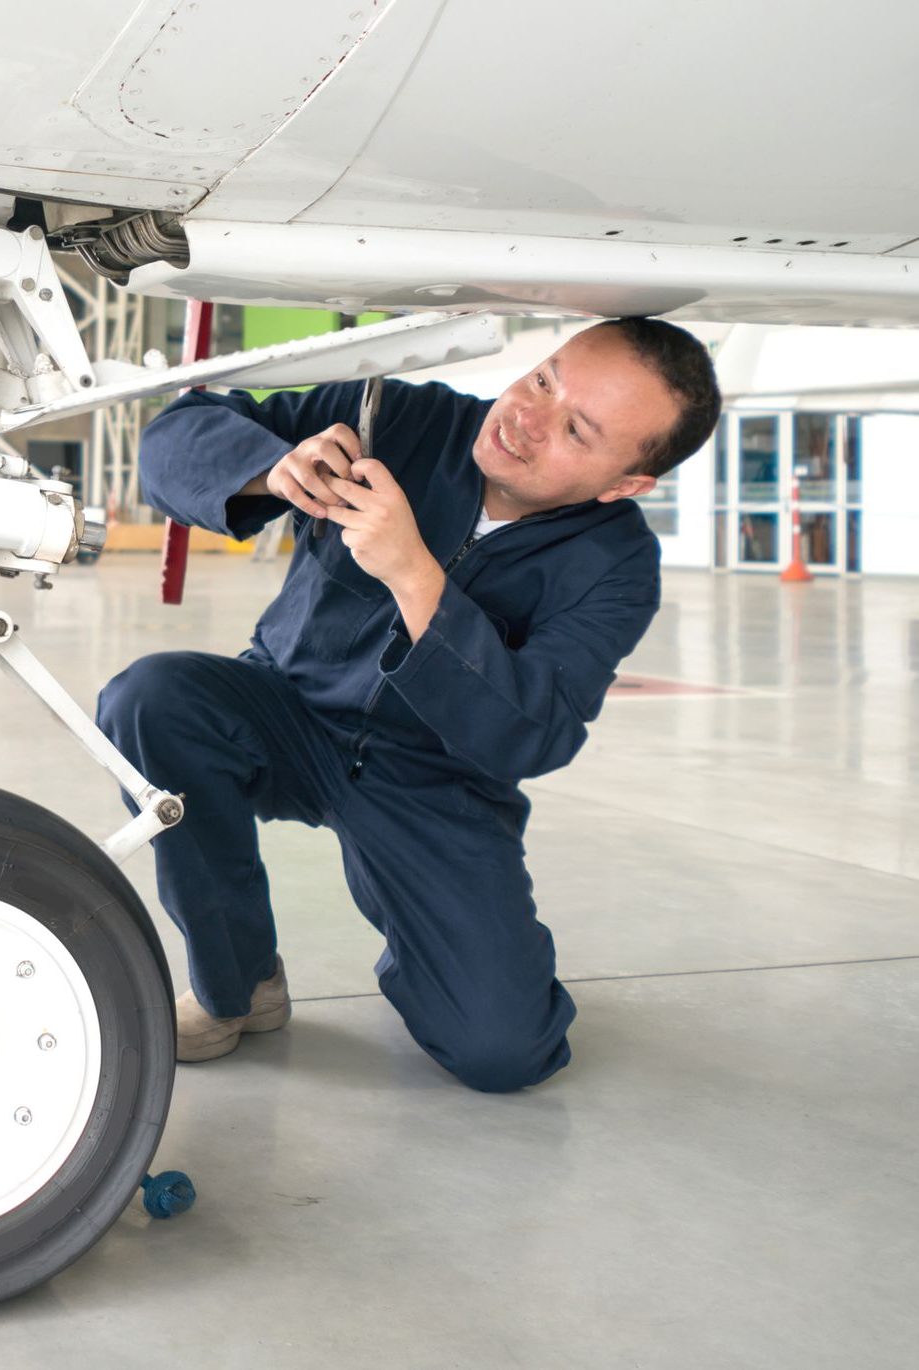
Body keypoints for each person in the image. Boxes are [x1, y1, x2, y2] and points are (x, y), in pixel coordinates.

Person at [97, 318, 720, 1090]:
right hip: (284, 709)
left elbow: (534, 733)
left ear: (624, 484)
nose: (525, 416)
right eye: (543, 379)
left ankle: (445, 956)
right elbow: (176, 434)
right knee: (153, 699)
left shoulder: (617, 566)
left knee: (503, 1052)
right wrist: (272, 469)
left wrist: (415, 576)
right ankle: (238, 986)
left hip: (433, 779)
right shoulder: (398, 418)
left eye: (574, 428)